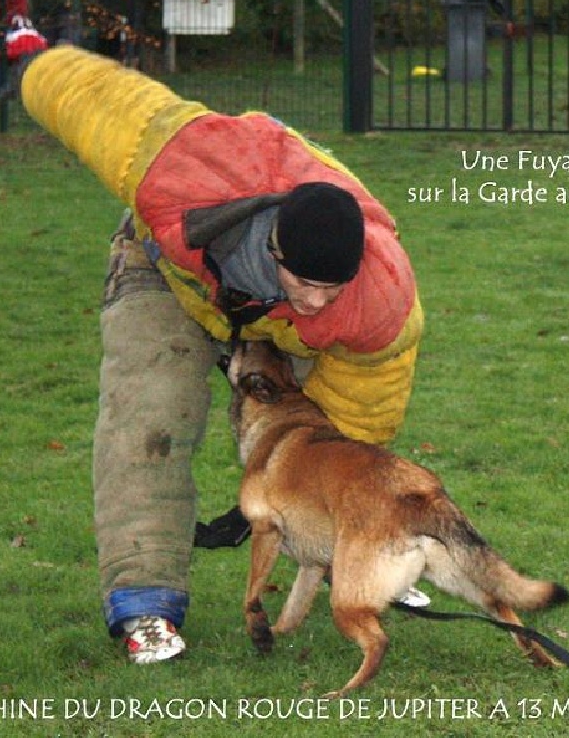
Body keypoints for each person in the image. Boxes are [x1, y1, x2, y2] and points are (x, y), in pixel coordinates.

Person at [21, 45, 427, 664]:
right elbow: (92, 99)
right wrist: (35, 66)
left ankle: (352, 557)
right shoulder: (174, 169)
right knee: (150, 417)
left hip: (270, 323)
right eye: (306, 282)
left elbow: (357, 425)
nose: (318, 301)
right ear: (275, 250)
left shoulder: (378, 299)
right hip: (167, 271)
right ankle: (146, 604)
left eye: (333, 288)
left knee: (322, 433)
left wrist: (301, 496)